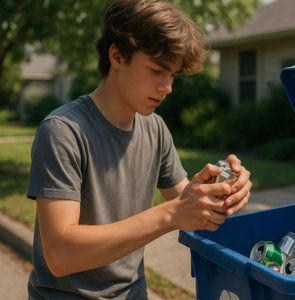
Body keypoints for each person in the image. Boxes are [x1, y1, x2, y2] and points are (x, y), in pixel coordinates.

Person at [26, 0, 252, 299]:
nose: (167, 87)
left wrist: (220, 192)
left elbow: (186, 206)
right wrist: (171, 215)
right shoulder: (63, 131)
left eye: (173, 75)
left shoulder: (155, 129)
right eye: (158, 70)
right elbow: (60, 255)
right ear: (117, 56)